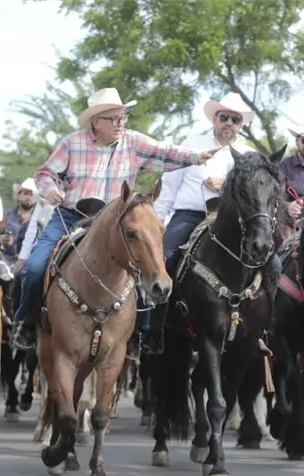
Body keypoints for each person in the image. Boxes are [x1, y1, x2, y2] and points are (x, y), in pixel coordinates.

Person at [11, 87, 219, 351]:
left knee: (148, 265)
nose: (121, 123)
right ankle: (27, 324)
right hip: (71, 215)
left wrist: (195, 157)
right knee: (35, 267)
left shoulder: (133, 142)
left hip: (115, 222)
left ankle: (139, 333)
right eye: (114, 119)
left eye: (123, 118)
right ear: (96, 122)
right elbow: (44, 174)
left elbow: (165, 152)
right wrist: (51, 190)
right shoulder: (72, 143)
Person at [143, 92, 256, 354]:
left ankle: (259, 331)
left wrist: (225, 186)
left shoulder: (249, 155)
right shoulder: (191, 144)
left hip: (229, 222)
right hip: (188, 215)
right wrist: (156, 225)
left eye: (235, 119)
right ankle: (153, 330)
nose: (229, 123)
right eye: (224, 117)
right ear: (215, 118)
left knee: (264, 266)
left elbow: (252, 195)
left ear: (242, 124)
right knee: (165, 261)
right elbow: (168, 188)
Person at [0, 178, 38, 264]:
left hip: (28, 264)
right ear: (18, 195)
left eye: (32, 194)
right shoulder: (4, 215)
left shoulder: (39, 221)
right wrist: (0, 239)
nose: (29, 197)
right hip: (4, 263)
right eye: (26, 193)